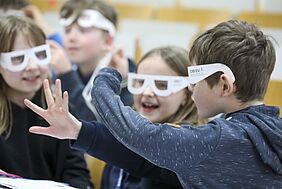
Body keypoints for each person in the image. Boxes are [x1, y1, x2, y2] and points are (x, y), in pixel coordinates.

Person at [24, 19, 282, 188]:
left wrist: (106, 77)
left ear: (224, 85)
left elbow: (141, 136)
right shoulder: (267, 131)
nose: (190, 87)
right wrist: (79, 131)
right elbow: (149, 162)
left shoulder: (216, 140)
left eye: (194, 77)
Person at [24, 46, 204, 189]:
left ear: (187, 95)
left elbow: (142, 154)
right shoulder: (125, 134)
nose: (147, 92)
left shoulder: (188, 144)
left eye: (162, 85)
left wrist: (80, 130)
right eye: (140, 82)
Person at [0, 15, 93, 188]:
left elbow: (77, 174)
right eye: (18, 59)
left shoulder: (62, 111)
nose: (32, 66)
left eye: (40, 55)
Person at [52, 0, 136, 121]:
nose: (71, 37)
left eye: (83, 30)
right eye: (67, 30)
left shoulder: (132, 81)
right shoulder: (66, 74)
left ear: (108, 41)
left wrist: (67, 76)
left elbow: (95, 129)